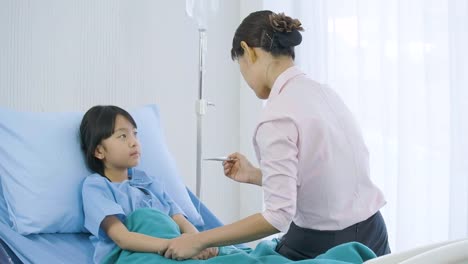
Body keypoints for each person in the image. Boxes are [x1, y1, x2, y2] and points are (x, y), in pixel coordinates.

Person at [164, 10, 390, 261]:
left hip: (328, 245)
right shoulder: (324, 93)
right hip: (374, 235)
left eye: (241, 68)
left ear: (248, 51)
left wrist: (198, 240)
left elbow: (277, 216)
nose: (246, 81)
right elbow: (326, 180)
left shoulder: (276, 116)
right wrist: (255, 175)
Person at [79, 105, 218, 264]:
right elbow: (123, 238)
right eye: (123, 136)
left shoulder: (149, 182)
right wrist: (174, 245)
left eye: (135, 134)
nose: (134, 142)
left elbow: (181, 221)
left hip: (176, 247)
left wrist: (199, 242)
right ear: (99, 151)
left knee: (232, 254)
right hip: (136, 254)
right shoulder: (96, 187)